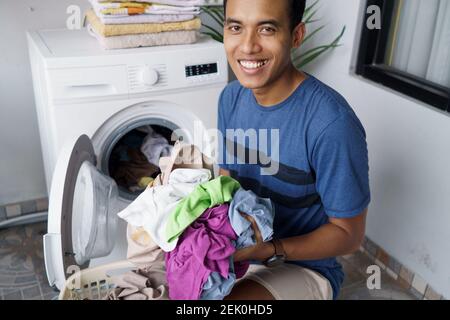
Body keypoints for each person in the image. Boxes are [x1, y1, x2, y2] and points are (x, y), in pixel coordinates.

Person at [218, 0, 371, 300]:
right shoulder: (231, 98)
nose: (247, 46)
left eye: (266, 29)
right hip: (240, 252)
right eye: (236, 27)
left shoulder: (332, 124)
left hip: (301, 266)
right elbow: (226, 186)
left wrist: (271, 249)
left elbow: (349, 236)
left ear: (296, 36)